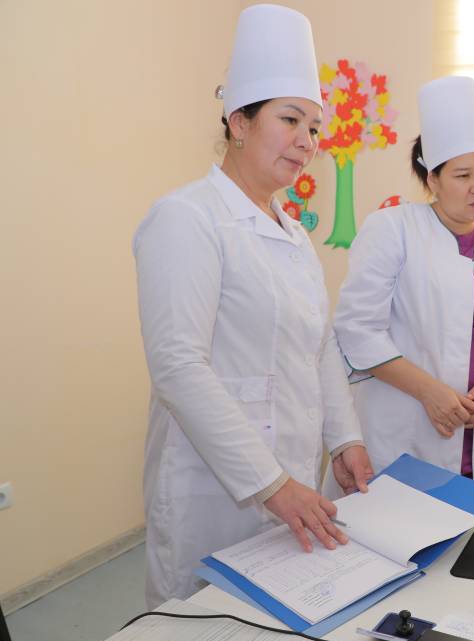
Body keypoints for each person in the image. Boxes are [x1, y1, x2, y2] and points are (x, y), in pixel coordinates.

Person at [133, 4, 373, 607]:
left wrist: (345, 440)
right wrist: (272, 484)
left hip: (289, 486)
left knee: (273, 622)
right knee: (203, 629)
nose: (307, 141)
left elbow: (319, 347)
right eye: (290, 119)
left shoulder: (293, 234)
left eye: (313, 127)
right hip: (212, 491)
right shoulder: (187, 219)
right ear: (239, 122)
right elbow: (178, 367)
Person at [331, 76, 474, 490]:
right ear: (432, 179)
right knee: (396, 526)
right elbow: (357, 329)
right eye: (463, 175)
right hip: (403, 436)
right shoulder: (393, 230)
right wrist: (428, 391)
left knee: (470, 528)